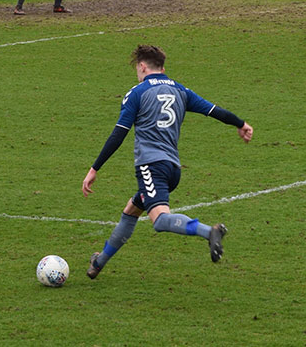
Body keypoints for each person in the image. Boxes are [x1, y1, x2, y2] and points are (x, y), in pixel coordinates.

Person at [82, 45, 253, 279]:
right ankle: (99, 262)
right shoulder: (181, 90)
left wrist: (94, 168)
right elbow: (214, 111)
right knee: (132, 210)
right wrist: (240, 124)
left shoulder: (137, 93)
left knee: (160, 221)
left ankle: (209, 232)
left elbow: (119, 133)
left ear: (142, 66)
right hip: (172, 169)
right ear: (163, 67)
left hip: (150, 167)